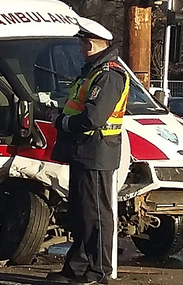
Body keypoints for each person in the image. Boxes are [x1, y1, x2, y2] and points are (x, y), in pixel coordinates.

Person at [47, 17, 130, 285]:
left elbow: (92, 118)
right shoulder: (94, 72)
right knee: (82, 214)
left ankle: (99, 271)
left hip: (97, 152)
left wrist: (61, 121)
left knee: (96, 215)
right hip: (85, 151)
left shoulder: (108, 75)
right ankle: (77, 265)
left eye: (82, 43)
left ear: (92, 44)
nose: (80, 48)